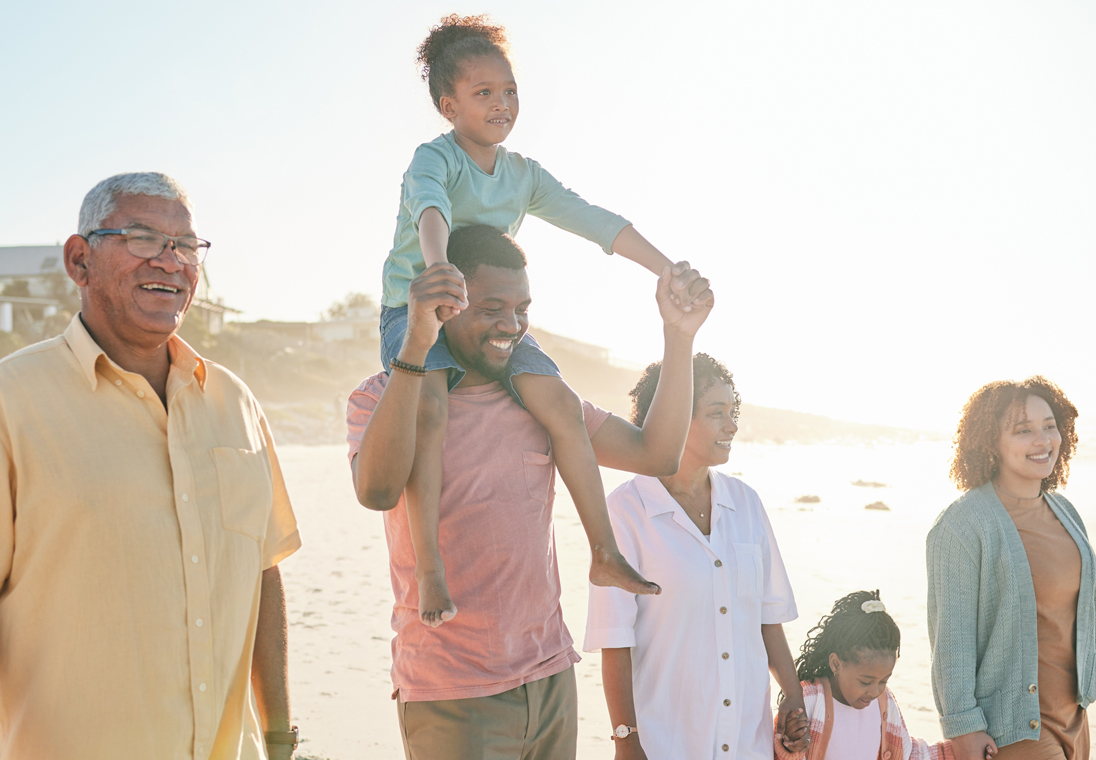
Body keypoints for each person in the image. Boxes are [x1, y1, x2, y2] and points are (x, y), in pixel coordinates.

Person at [381, 13, 703, 626]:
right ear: (449, 106)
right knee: (431, 408)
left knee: (558, 403)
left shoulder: (522, 175)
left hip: (486, 315)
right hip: (418, 305)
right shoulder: (435, 159)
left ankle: (604, 551)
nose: (501, 104)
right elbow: (429, 211)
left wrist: (667, 270)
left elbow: (594, 221)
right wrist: (438, 270)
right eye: (483, 94)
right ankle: (429, 571)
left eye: (509, 91)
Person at [347, 225, 713, 760]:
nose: (511, 326)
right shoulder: (383, 397)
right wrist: (417, 344)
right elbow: (376, 491)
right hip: (452, 694)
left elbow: (656, 455)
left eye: (522, 309)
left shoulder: (539, 401)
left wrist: (679, 338)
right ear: (447, 302)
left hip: (551, 682)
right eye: (492, 307)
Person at [0, 172, 301, 759]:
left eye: (186, 245)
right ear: (79, 260)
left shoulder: (236, 402)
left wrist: (280, 735)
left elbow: (263, 574)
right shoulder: (11, 401)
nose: (171, 261)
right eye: (142, 238)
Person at [584, 354, 805, 759]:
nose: (732, 424)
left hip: (746, 744)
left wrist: (792, 695)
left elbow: (767, 620)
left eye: (732, 411)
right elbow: (616, 641)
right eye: (716, 412)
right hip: (665, 743)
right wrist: (626, 740)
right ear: (674, 418)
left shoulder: (747, 504)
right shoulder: (625, 512)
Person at [927, 377, 1094, 760]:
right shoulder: (962, 525)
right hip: (1014, 729)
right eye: (1024, 430)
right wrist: (963, 727)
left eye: (1050, 426)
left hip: (1075, 721)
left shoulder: (1066, 512)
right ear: (992, 443)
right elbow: (950, 640)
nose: (1043, 440)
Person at [773, 590, 971, 760]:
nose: (875, 691)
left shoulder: (885, 704)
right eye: (866, 681)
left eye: (884, 680)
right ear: (836, 663)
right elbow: (774, 751)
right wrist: (789, 746)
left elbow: (908, 753)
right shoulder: (809, 700)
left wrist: (959, 751)